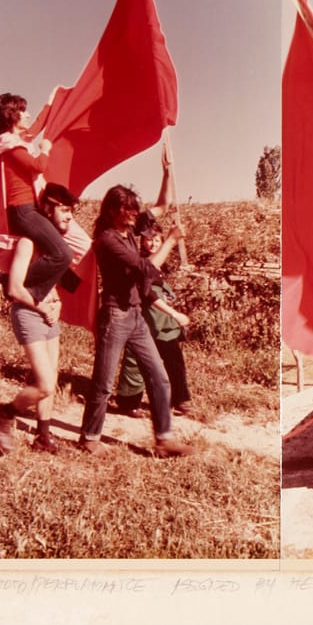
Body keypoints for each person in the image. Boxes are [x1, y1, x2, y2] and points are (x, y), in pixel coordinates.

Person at [79, 183, 194, 458]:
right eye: (127, 208)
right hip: (115, 316)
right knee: (104, 383)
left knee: (159, 378)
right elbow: (146, 268)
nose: (133, 212)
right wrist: (171, 241)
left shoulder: (129, 229)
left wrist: (166, 172)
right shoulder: (107, 241)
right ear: (111, 211)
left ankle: (164, 441)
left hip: (135, 315)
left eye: (134, 208)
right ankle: (89, 438)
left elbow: (163, 205)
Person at [0, 183, 80, 456]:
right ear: (48, 210)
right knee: (44, 384)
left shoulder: (54, 251)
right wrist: (42, 307)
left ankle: (43, 437)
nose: (70, 216)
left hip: (48, 315)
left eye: (72, 211)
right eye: (65, 210)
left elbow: (52, 287)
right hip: (29, 314)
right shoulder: (27, 243)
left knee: (51, 377)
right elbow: (15, 289)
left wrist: (57, 303)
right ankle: (4, 414)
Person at [0, 93, 74, 293]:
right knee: (62, 254)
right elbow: (37, 166)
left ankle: (70, 290)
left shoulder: (17, 140)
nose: (28, 115)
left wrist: (52, 101)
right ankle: (14, 284)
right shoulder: (10, 146)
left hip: (28, 209)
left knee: (60, 250)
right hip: (23, 211)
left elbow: (37, 125)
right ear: (11, 116)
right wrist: (45, 149)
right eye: (23, 111)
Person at [111, 220, 194, 417]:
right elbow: (148, 295)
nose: (153, 243)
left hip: (162, 322)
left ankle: (179, 400)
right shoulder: (140, 262)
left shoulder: (160, 262)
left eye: (157, 240)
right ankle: (128, 402)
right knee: (135, 361)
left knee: (174, 360)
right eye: (149, 240)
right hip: (145, 319)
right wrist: (174, 314)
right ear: (142, 241)